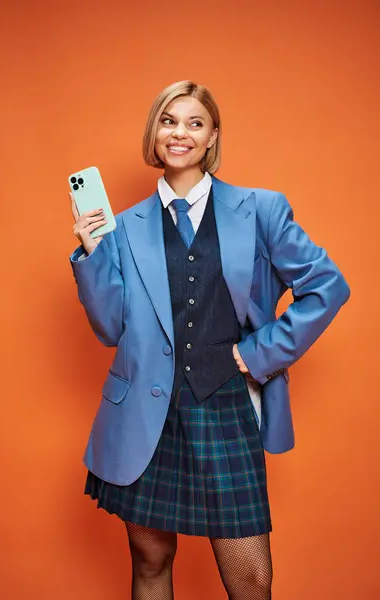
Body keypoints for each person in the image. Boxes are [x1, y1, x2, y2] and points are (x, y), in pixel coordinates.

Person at [69, 80, 350, 600]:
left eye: (194, 123)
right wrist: (92, 254)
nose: (180, 133)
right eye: (169, 121)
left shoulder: (261, 210)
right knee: (150, 561)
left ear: (212, 135)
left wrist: (258, 353)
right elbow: (110, 329)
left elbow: (327, 286)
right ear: (154, 133)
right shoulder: (124, 228)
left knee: (251, 579)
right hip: (145, 417)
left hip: (227, 408)